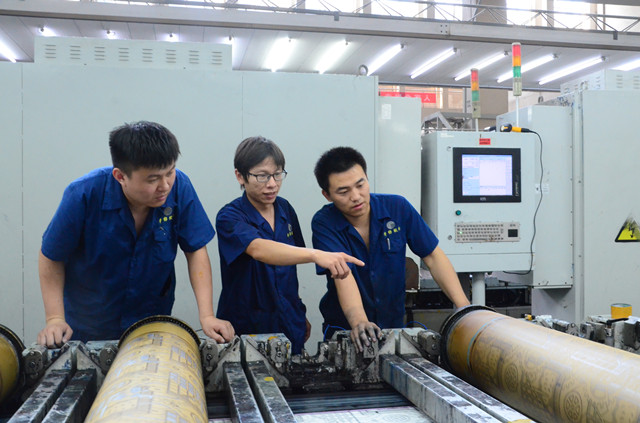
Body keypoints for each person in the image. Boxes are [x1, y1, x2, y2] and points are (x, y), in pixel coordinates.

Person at [37, 121, 234, 347]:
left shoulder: (180, 186)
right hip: (89, 324)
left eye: (170, 172)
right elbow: (51, 256)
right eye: (153, 179)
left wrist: (207, 315)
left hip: (150, 322)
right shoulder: (83, 194)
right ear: (120, 176)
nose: (165, 186)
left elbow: (196, 250)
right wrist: (55, 319)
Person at [312, 146, 470, 351]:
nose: (356, 196)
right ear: (327, 195)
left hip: (393, 326)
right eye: (343, 191)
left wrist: (464, 308)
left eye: (360, 185)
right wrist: (360, 322)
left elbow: (432, 256)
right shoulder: (324, 222)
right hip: (346, 329)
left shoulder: (397, 208)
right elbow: (343, 273)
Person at [215, 136, 364, 354]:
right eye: (262, 176)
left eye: (277, 174)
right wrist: (316, 254)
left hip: (288, 323)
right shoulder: (230, 217)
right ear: (240, 176)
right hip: (247, 328)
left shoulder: (285, 209)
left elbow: (289, 264)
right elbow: (259, 249)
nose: (272, 184)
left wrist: (298, 310)